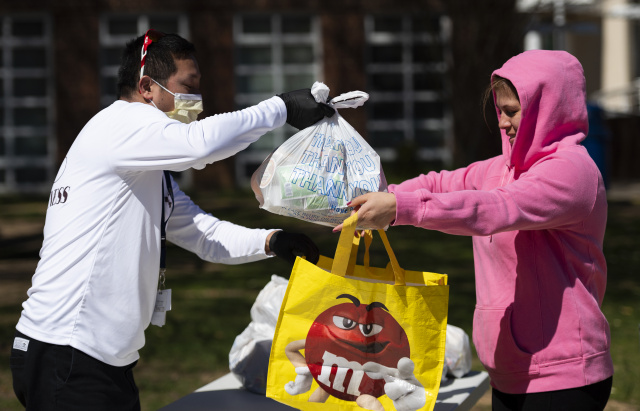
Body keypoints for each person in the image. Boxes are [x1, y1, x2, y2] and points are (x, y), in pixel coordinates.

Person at [10, 29, 334, 411]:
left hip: (97, 360)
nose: (196, 101)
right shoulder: (121, 124)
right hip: (67, 354)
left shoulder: (143, 169)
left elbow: (201, 233)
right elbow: (199, 146)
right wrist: (280, 108)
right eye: (187, 86)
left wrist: (271, 241)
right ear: (147, 86)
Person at [335, 50, 613, 410]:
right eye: (500, 110)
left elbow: (496, 208)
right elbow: (441, 184)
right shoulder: (500, 169)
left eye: (512, 111)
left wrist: (400, 210)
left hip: (564, 376)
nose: (501, 122)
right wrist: (380, 197)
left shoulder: (572, 173)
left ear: (548, 110)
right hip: (511, 371)